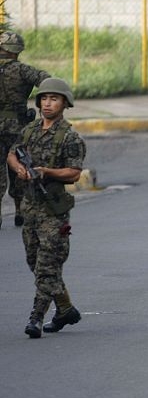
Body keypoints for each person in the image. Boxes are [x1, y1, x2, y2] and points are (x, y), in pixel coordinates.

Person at [7, 78, 85, 339]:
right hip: (29, 209)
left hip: (53, 212)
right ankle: (65, 309)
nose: (47, 103)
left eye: (54, 99)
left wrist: (46, 171)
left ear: (65, 103)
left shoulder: (70, 137)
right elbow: (12, 152)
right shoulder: (29, 130)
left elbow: (74, 173)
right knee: (35, 263)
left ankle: (36, 317)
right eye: (44, 98)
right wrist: (19, 168)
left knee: (47, 269)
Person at [0, 31, 50, 229]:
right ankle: (20, 211)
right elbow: (47, 81)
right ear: (16, 51)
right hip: (17, 128)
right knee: (19, 168)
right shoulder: (23, 71)